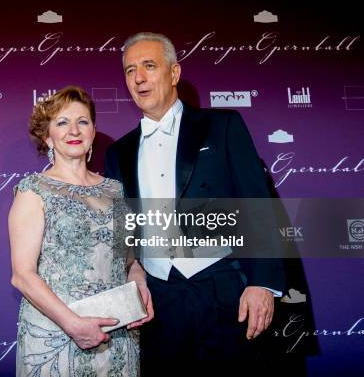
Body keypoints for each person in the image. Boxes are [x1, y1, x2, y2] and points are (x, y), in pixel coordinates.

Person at [104, 32, 285, 371]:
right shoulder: (118, 152)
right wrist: (134, 269)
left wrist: (263, 281)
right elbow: (124, 226)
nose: (139, 78)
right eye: (130, 70)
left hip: (224, 287)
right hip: (160, 299)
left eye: (149, 66)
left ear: (174, 73)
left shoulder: (223, 126)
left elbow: (257, 203)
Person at [9, 86, 153, 376]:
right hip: (57, 338)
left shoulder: (114, 189)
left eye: (83, 121)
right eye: (62, 122)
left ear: (93, 131)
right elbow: (23, 275)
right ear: (47, 136)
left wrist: (140, 284)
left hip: (117, 333)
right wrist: (74, 325)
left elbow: (128, 261)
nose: (74, 130)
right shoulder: (33, 190)